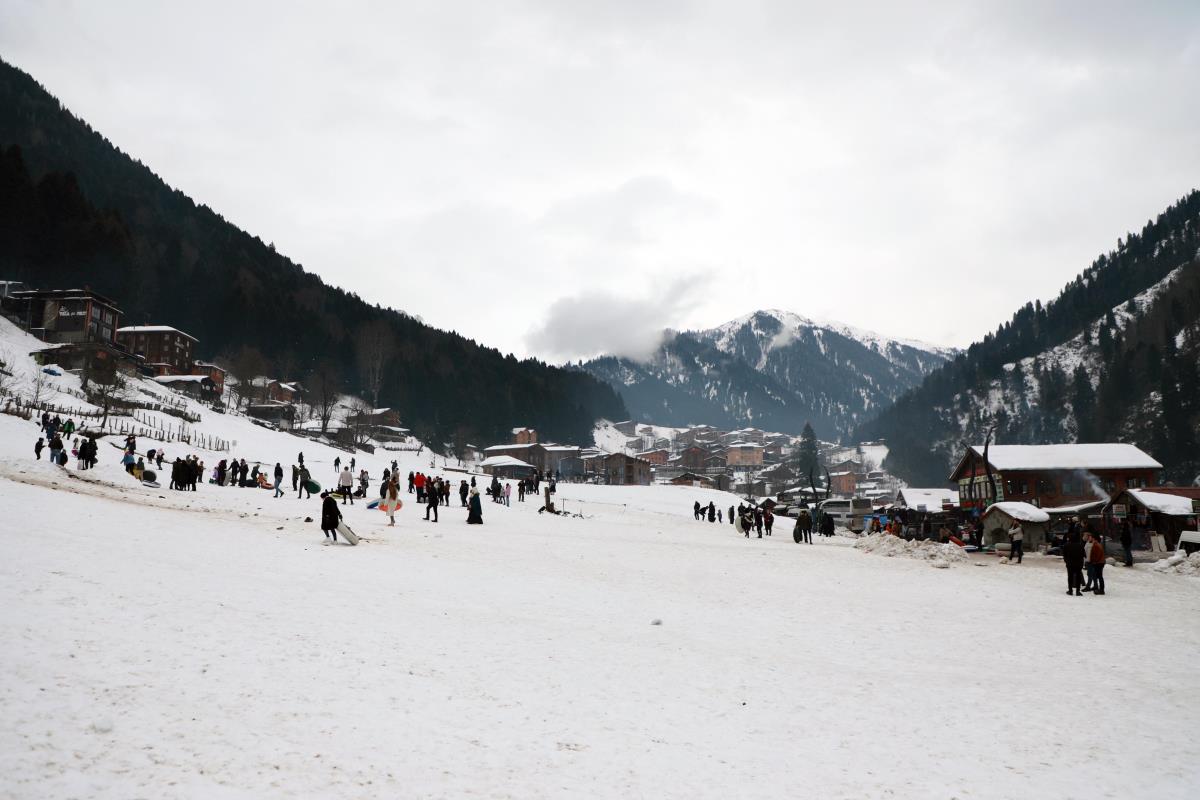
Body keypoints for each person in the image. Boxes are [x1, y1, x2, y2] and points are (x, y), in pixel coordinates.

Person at [1063, 529, 1085, 596]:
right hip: (1078, 564)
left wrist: (1066, 561)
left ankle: (1070, 590)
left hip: (1070, 564)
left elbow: (1064, 555)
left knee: (1070, 577)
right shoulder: (1080, 545)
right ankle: (1078, 591)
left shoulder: (1066, 545)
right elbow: (1083, 554)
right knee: (1078, 577)